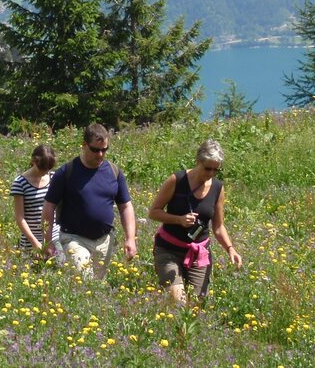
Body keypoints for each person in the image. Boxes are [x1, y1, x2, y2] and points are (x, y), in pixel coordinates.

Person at [147, 139, 243, 302]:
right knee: (178, 301)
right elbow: (153, 212)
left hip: (199, 253)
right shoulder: (177, 180)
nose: (211, 173)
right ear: (198, 161)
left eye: (215, 170)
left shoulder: (217, 188)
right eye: (207, 168)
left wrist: (230, 249)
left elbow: (218, 226)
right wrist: (179, 220)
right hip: (168, 250)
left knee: (197, 305)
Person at [41, 123, 137, 278]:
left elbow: (125, 206)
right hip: (74, 239)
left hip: (104, 241)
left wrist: (130, 238)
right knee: (85, 280)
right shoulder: (66, 172)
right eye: (95, 149)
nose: (100, 154)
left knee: (97, 289)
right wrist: (47, 241)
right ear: (84, 145)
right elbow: (49, 206)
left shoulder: (114, 172)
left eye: (104, 150)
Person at [11, 144, 58, 256]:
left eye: (48, 169)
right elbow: (20, 218)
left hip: (54, 237)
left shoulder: (54, 178)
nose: (45, 172)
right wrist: (35, 243)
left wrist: (49, 241)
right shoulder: (20, 183)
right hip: (31, 240)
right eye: (42, 168)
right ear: (33, 161)